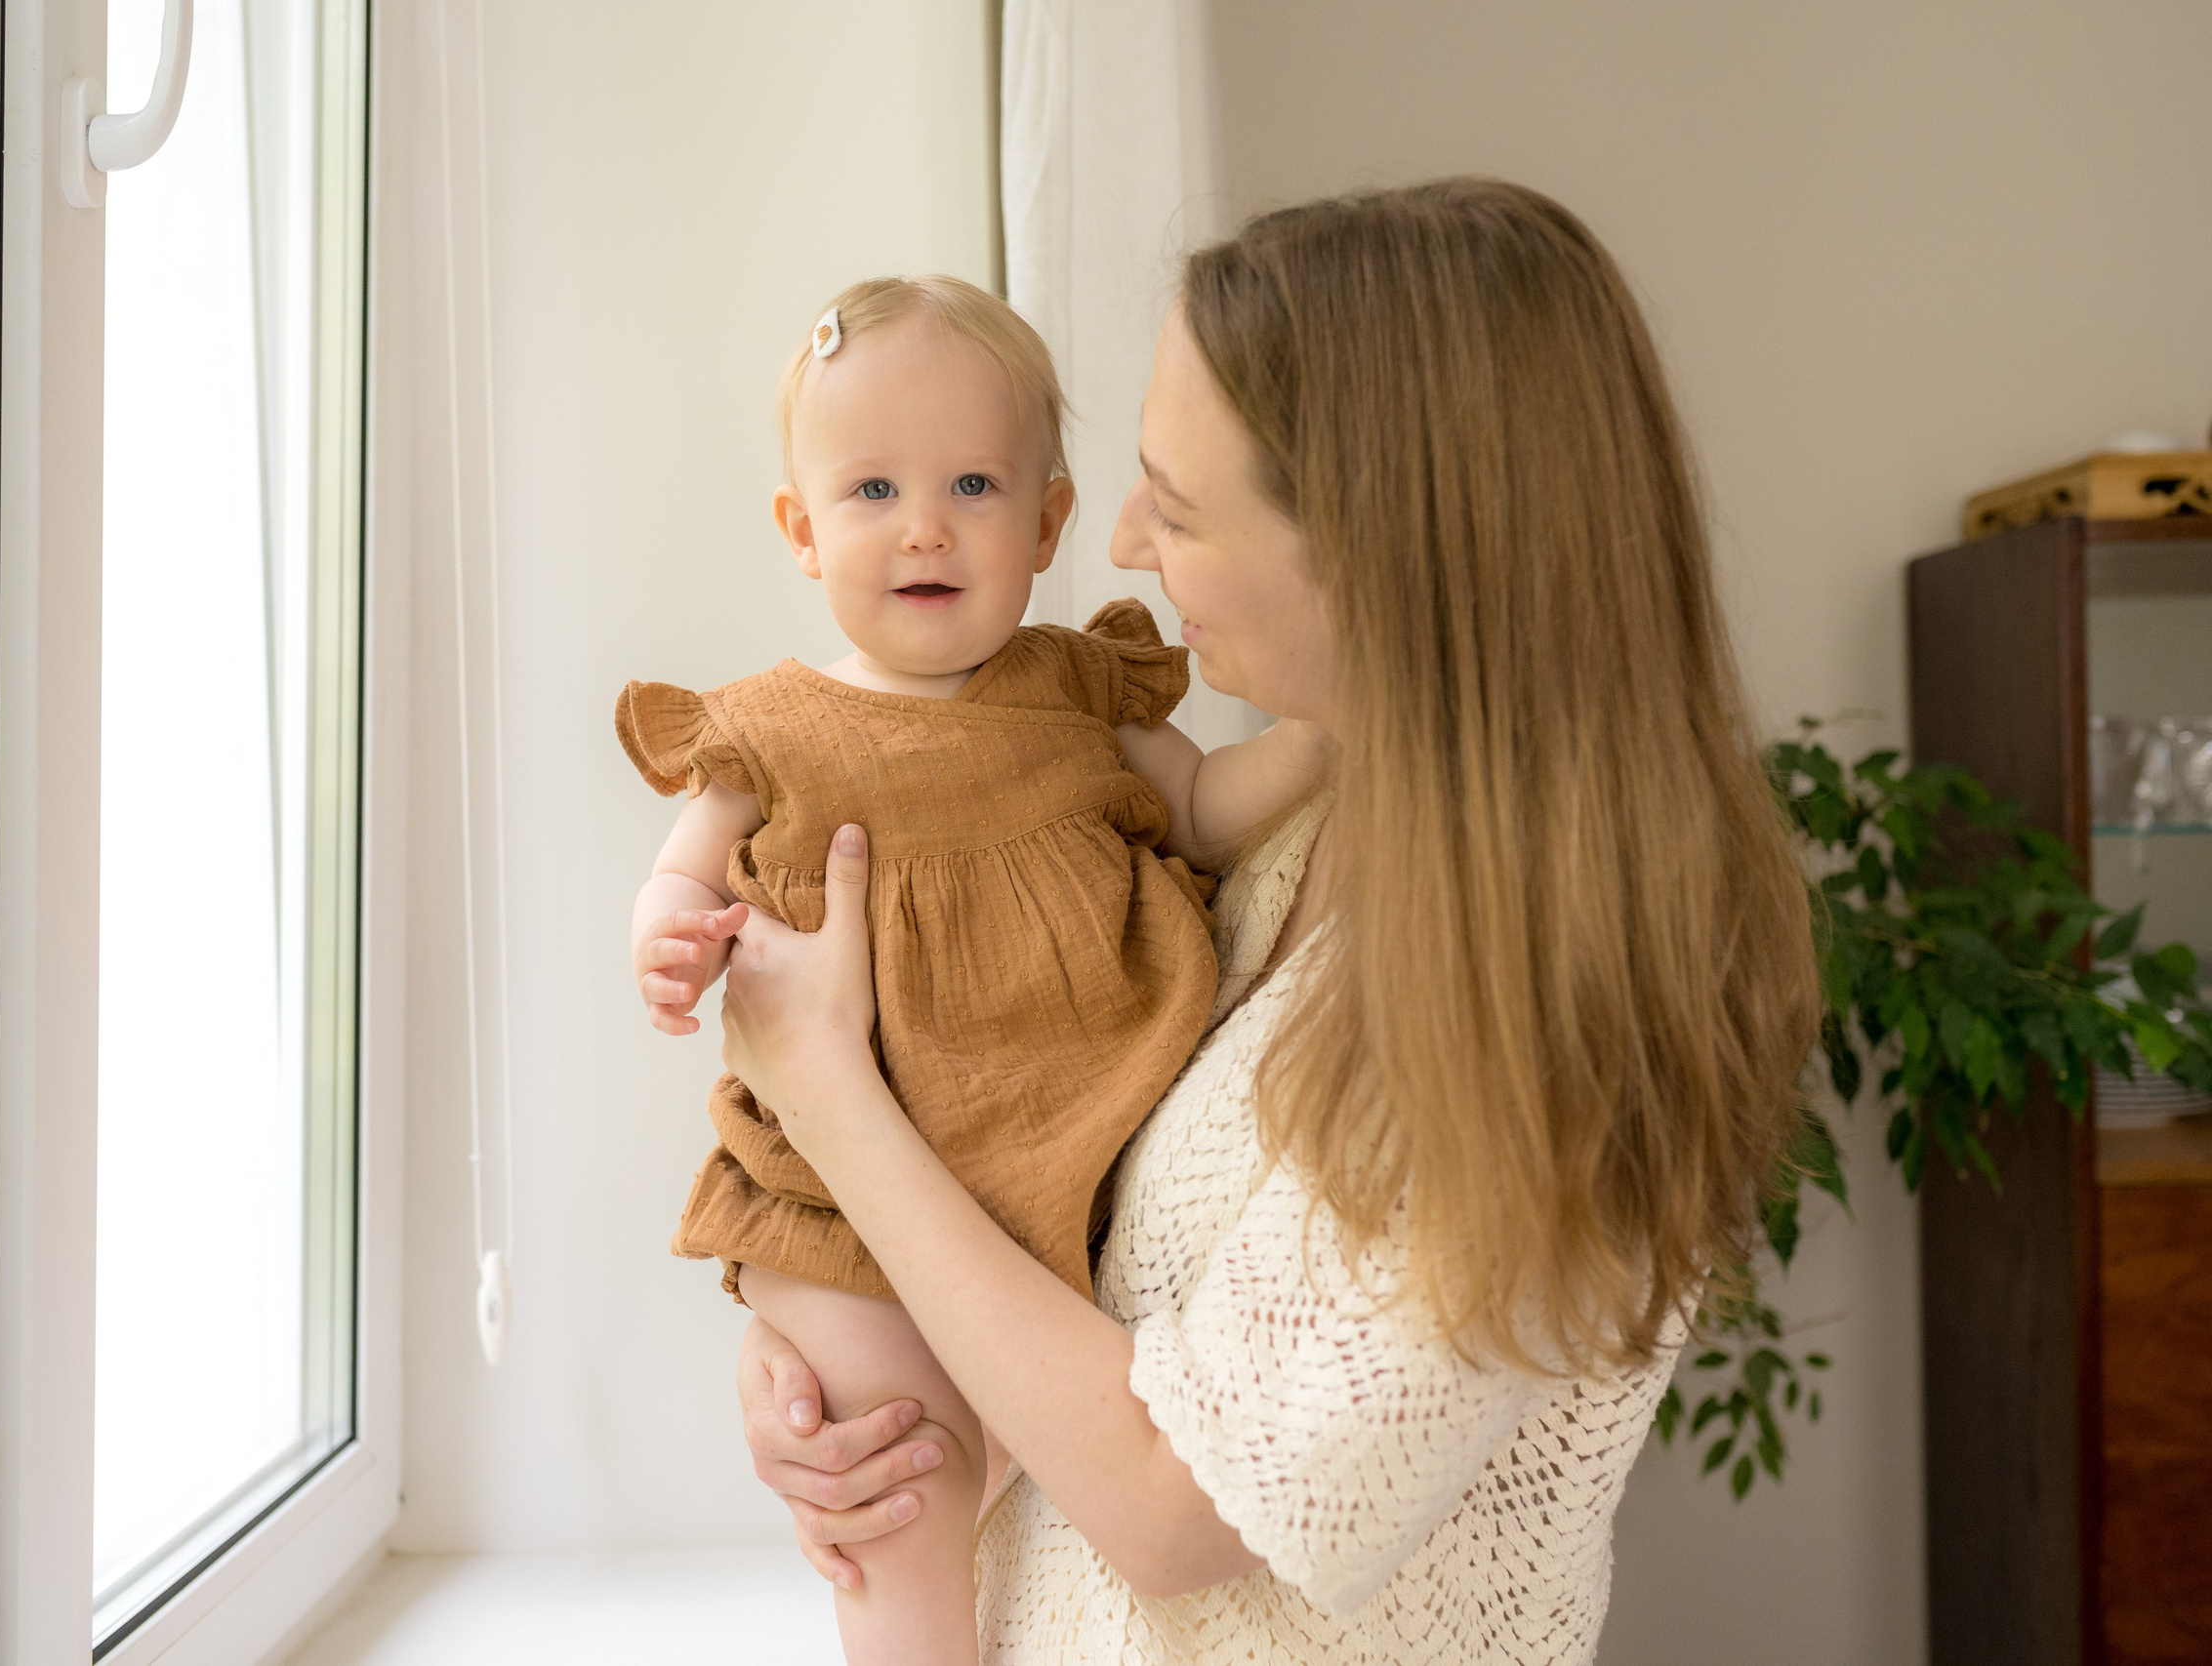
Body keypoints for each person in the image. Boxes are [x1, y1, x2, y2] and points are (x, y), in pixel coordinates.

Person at [718, 181, 1823, 1663]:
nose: (1110, 542)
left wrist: (827, 1097)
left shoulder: (1566, 998)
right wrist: (844, 1367)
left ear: (1379, 549)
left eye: (1174, 505)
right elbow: (1074, 1213)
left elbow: (1179, 1506)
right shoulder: (1299, 831)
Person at [618, 274, 1328, 1665]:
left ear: (1050, 520)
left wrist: (1319, 737)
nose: (925, 524)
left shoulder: (1080, 692)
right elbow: (687, 858)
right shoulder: (778, 729)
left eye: (975, 484)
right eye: (872, 490)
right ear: (801, 531)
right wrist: (668, 933)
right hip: (854, 1223)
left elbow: (1203, 811)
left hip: (1061, 1170)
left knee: (999, 1458)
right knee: (896, 1479)